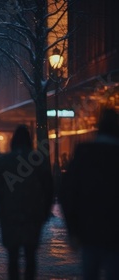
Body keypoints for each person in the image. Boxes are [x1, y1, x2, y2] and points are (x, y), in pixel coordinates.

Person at [59, 108, 119, 280]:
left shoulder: (84, 153)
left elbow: (68, 192)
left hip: (89, 228)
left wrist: (72, 229)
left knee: (90, 271)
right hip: (115, 230)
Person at [0, 125, 53, 280]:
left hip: (10, 214)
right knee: (31, 255)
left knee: (13, 255)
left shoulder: (3, 162)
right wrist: (45, 211)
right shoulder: (38, 160)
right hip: (33, 213)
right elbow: (48, 188)